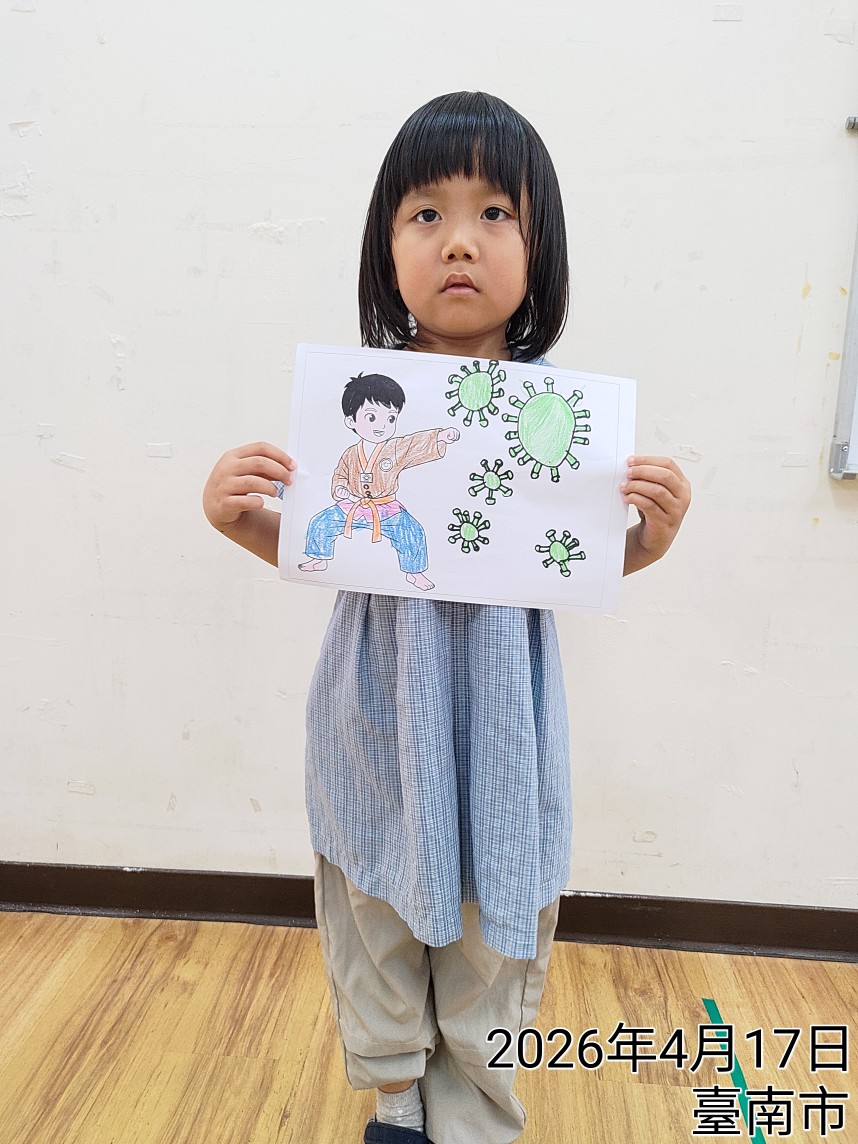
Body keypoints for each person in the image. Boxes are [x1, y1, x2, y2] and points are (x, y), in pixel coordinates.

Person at [202, 91, 691, 1144]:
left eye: (494, 213)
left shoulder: (559, 419)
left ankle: (472, 1119)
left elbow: (584, 563)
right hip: (377, 717)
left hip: (501, 726)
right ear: (386, 250)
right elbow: (330, 540)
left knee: (489, 934)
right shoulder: (360, 403)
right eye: (425, 214)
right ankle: (396, 1102)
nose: (459, 240)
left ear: (539, 247)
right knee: (375, 914)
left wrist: (647, 539)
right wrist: (241, 518)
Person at [298, 371, 460, 592]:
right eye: (372, 417)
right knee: (321, 522)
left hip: (386, 509)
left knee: (412, 532)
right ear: (351, 421)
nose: (382, 425)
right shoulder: (350, 454)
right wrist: (341, 488)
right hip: (353, 506)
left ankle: (415, 572)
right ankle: (319, 557)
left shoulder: (395, 449)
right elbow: (340, 475)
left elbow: (414, 443)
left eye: (390, 418)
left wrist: (439, 436)